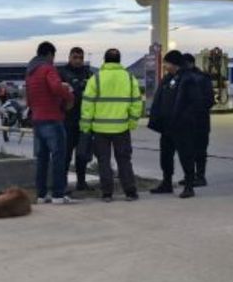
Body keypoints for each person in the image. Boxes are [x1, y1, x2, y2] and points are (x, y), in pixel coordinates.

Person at [81, 48, 142, 202]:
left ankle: (107, 193)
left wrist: (86, 126)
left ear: (105, 60)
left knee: (103, 162)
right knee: (124, 160)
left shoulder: (96, 78)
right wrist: (132, 122)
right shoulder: (129, 78)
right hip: (122, 128)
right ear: (119, 60)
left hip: (100, 129)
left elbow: (88, 105)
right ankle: (130, 192)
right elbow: (136, 102)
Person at [26, 41, 76, 204]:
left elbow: (29, 96)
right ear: (49, 55)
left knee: (42, 159)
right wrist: (69, 96)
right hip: (52, 119)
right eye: (53, 57)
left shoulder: (30, 72)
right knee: (58, 158)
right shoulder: (48, 68)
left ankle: (41, 195)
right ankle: (58, 194)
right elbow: (55, 87)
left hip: (37, 120)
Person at [148, 50, 198, 199]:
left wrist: (184, 118)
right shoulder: (168, 78)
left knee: (185, 156)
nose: (165, 65)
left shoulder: (188, 79)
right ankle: (167, 183)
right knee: (166, 156)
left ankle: (189, 185)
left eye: (167, 63)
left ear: (174, 63)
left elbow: (194, 103)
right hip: (167, 125)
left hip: (182, 125)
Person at [60, 47, 94, 192]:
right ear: (69, 57)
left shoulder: (88, 73)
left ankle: (82, 182)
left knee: (82, 155)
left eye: (80, 57)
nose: (78, 60)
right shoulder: (61, 73)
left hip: (84, 121)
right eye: (75, 57)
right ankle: (63, 184)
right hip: (67, 121)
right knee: (65, 155)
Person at [184, 53, 215, 187]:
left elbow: (209, 100)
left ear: (189, 63)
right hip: (191, 121)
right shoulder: (186, 78)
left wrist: (194, 110)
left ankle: (200, 177)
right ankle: (191, 177)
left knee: (199, 151)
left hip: (199, 121)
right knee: (188, 150)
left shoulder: (201, 79)